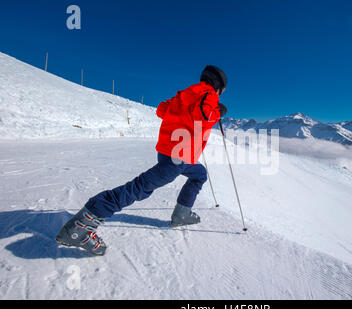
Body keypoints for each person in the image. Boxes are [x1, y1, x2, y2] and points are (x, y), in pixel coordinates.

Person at [56, 65, 228, 256]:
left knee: (199, 174)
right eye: (222, 91)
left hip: (169, 152)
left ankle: (182, 214)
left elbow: (162, 110)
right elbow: (203, 117)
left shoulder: (184, 94)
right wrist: (218, 112)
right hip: (178, 157)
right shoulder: (209, 95)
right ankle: (81, 226)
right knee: (139, 188)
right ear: (218, 86)